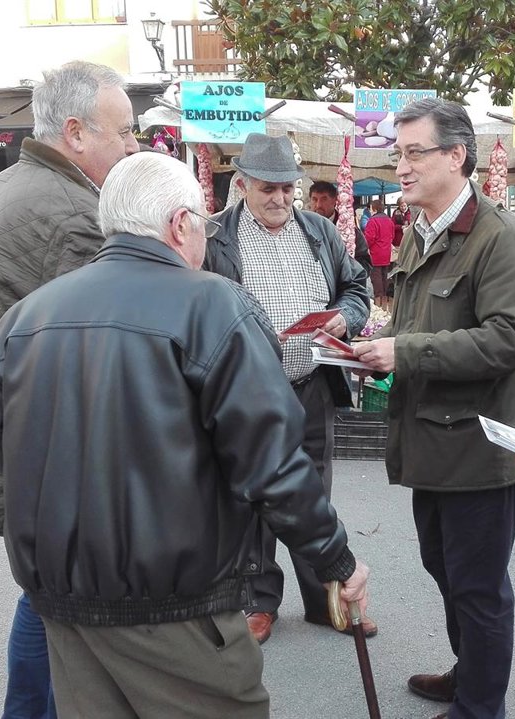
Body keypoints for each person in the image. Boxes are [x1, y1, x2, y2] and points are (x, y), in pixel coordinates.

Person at [0, 151, 370, 718]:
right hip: (177, 606)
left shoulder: (26, 317)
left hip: (65, 606)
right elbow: (274, 466)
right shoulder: (212, 304)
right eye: (202, 225)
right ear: (180, 224)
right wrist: (338, 561)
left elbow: (7, 452)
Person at [0, 60, 138, 719]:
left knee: (47, 597)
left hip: (28, 448)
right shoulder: (70, 214)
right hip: (61, 459)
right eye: (126, 133)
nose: (135, 147)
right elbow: (97, 361)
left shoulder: (12, 185)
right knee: (61, 607)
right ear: (76, 133)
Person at [354, 97, 515, 719]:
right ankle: (470, 675)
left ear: (457, 156)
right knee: (445, 569)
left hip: (479, 449)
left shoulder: (498, 236)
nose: (401, 168)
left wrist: (403, 350)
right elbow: (418, 322)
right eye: (397, 153)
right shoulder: (419, 231)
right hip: (430, 442)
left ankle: (482, 705)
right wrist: (371, 344)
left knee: (479, 587)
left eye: (414, 153)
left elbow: (511, 339)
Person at [204, 134, 374, 645]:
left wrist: (345, 318)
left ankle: (324, 597)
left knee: (314, 492)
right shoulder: (216, 238)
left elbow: (357, 288)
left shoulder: (320, 231)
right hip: (247, 390)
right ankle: (258, 601)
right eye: (267, 188)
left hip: (312, 382)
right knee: (251, 492)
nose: (279, 198)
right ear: (242, 185)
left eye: (286, 188)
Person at [309, 179, 373, 288]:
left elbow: (365, 263)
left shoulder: (349, 229)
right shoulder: (303, 226)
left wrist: (347, 275)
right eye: (314, 199)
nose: (318, 205)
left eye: (324, 199)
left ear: (335, 200)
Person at [363, 198, 396, 309]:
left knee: (376, 277)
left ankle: (379, 302)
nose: (370, 211)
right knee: (384, 277)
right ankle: (386, 301)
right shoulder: (389, 220)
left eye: (371, 208)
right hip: (386, 253)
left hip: (375, 254)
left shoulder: (372, 221)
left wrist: (365, 248)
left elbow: (369, 238)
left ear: (375, 208)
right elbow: (393, 236)